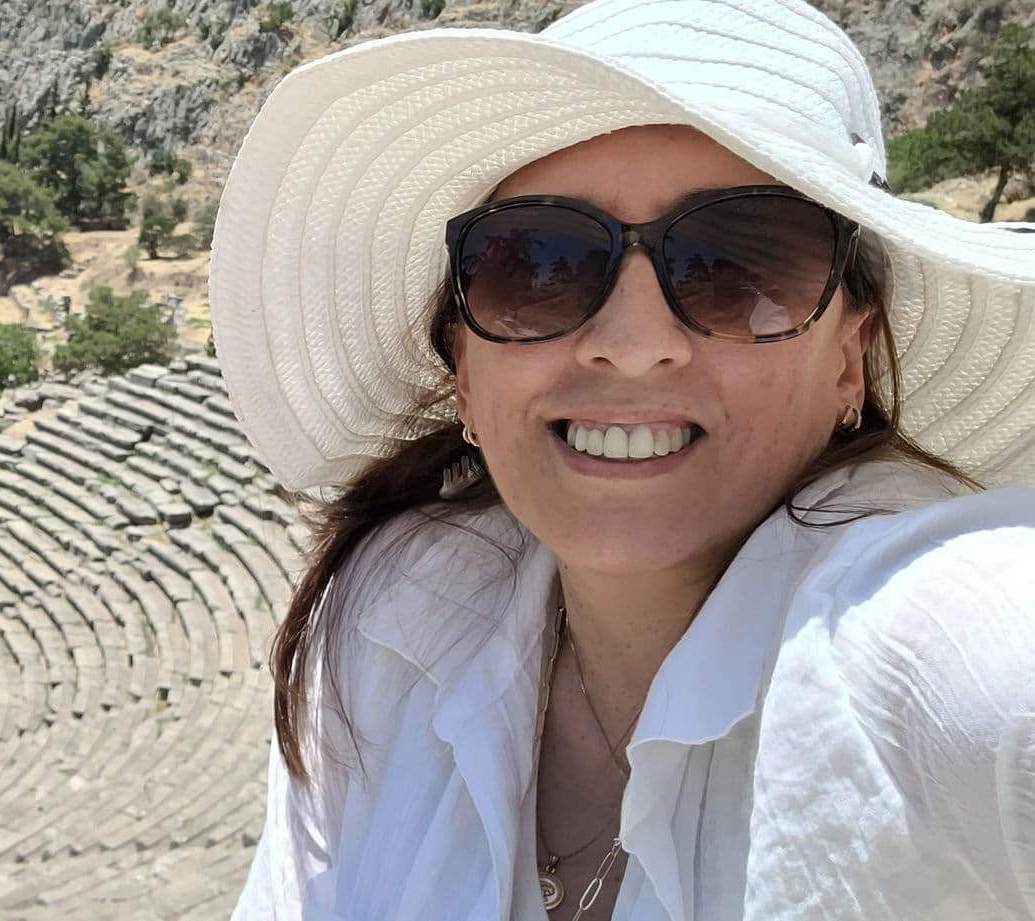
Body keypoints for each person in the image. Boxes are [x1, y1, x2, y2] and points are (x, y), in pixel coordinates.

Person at [211, 2, 1035, 918]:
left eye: (736, 265)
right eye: (538, 265)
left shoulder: (916, 632)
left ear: (849, 357)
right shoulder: (388, 624)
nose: (635, 343)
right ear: (465, 381)